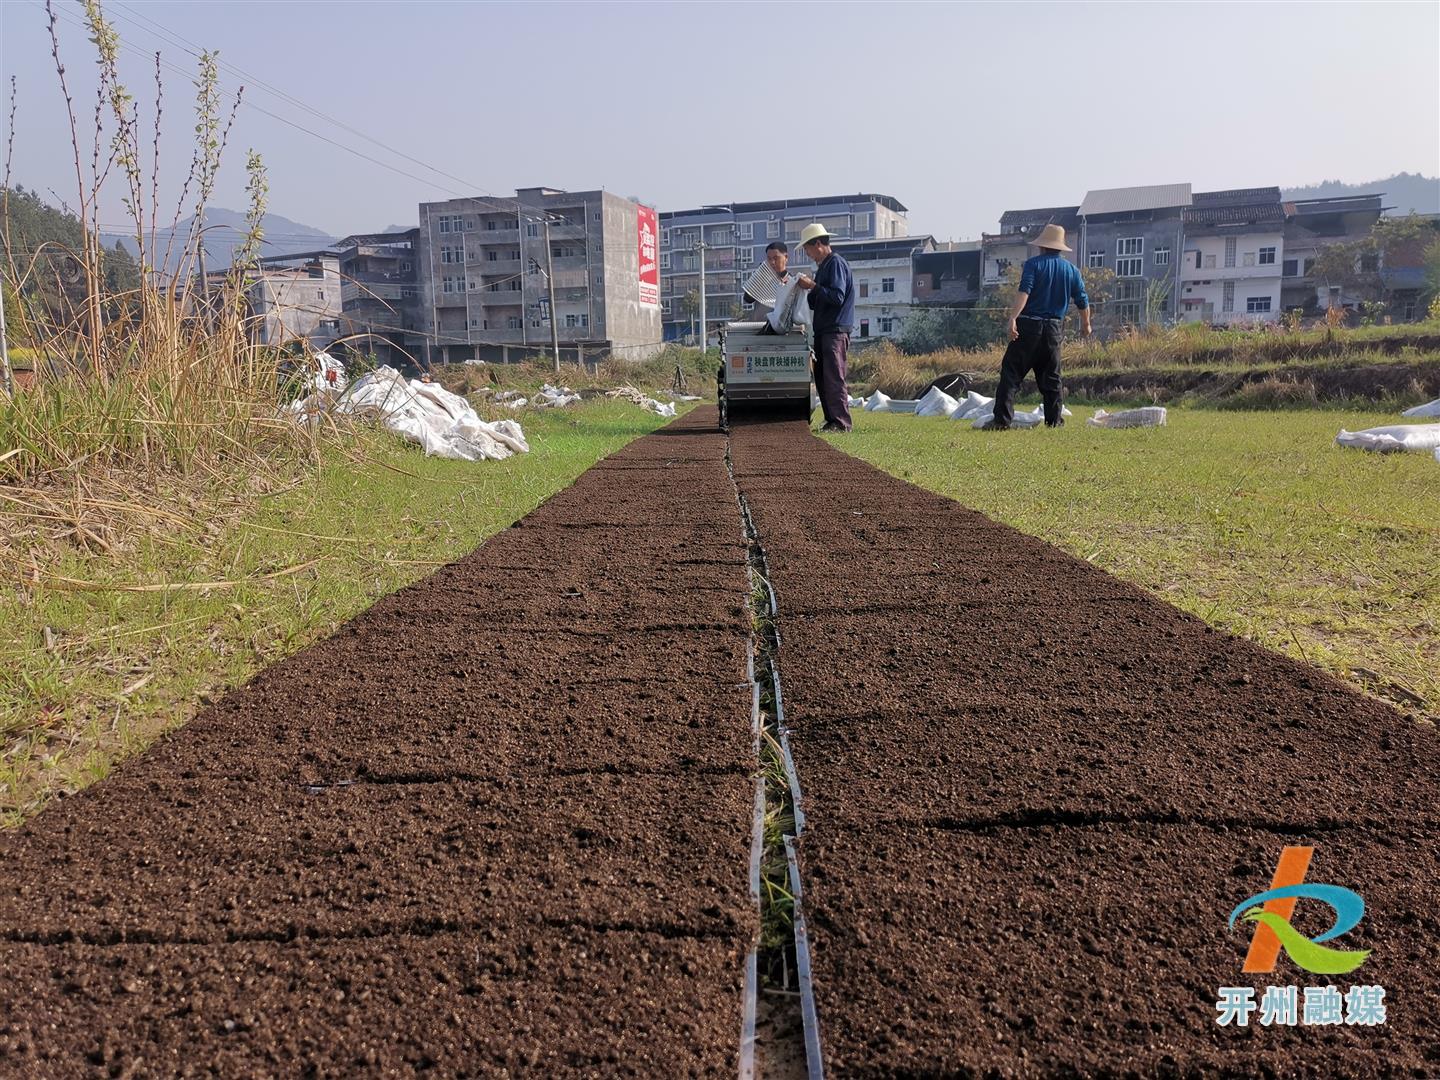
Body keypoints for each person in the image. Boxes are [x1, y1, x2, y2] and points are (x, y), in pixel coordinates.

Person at [989, 223, 1091, 430]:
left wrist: (1013, 318)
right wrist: (1086, 324)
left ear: (1042, 246)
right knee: (1052, 377)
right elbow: (1082, 299)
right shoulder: (1071, 270)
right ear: (1060, 247)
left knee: (1011, 373)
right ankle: (1054, 422)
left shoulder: (1033, 265)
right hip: (1054, 329)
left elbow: (1024, 291)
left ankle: (1001, 421)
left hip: (1029, 326)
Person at [795, 223, 855, 432]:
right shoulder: (823, 268)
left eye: (807, 249)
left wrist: (812, 286)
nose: (808, 254)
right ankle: (832, 419)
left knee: (833, 376)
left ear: (818, 244)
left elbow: (837, 297)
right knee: (822, 377)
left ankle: (841, 422)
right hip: (823, 330)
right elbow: (816, 300)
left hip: (835, 330)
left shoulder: (835, 263)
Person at [744, 241, 791, 309]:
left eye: (776, 258)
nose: (772, 262)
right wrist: (759, 277)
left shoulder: (793, 282)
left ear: (786, 257)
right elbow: (748, 299)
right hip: (763, 319)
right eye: (769, 258)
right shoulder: (762, 279)